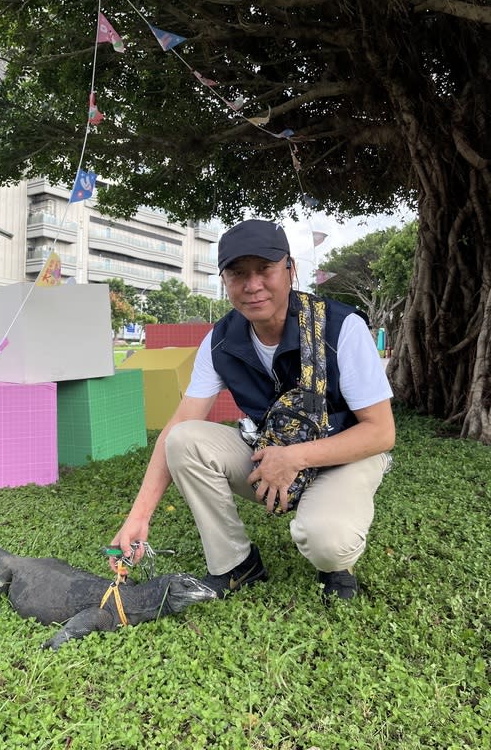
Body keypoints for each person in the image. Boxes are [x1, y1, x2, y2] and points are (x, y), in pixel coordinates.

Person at [111, 219, 395, 600]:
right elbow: (179, 424)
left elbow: (380, 432)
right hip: (271, 452)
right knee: (183, 439)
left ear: (290, 270)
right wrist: (138, 517)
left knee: (328, 541)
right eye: (237, 273)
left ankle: (336, 565)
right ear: (224, 281)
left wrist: (295, 457)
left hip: (344, 456)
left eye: (265, 269)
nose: (253, 285)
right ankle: (236, 564)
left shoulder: (341, 326)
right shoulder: (221, 339)